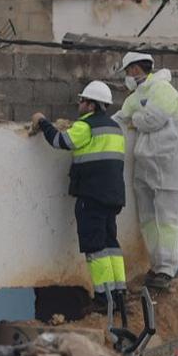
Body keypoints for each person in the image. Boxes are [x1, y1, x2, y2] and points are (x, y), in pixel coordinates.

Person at [33, 81, 128, 323]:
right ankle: (119, 294)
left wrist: (43, 122)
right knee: (110, 244)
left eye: (82, 100)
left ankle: (102, 297)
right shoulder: (115, 128)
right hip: (113, 195)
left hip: (92, 196)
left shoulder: (86, 126)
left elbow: (60, 141)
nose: (79, 104)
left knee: (95, 248)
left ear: (91, 104)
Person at [116, 50, 178, 290]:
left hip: (168, 164)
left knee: (167, 219)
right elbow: (120, 118)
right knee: (148, 218)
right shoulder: (136, 96)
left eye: (127, 71)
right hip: (145, 164)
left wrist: (135, 118)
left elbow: (152, 120)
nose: (127, 76)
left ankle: (167, 269)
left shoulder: (164, 90)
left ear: (136, 69)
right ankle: (156, 266)